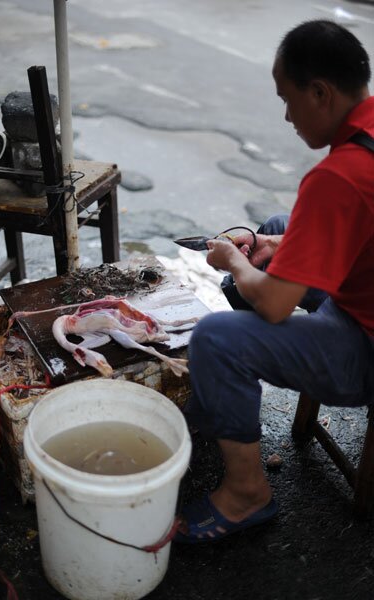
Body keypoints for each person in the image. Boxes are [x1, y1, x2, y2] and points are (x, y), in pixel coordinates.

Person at [174, 19, 374, 544]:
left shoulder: (338, 177)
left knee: (217, 340)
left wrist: (234, 261)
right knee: (277, 229)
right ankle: (222, 407)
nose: (286, 115)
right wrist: (278, 249)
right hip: (365, 297)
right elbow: (357, 230)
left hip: (366, 347)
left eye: (288, 99)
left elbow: (275, 307)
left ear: (320, 93)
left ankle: (246, 494)